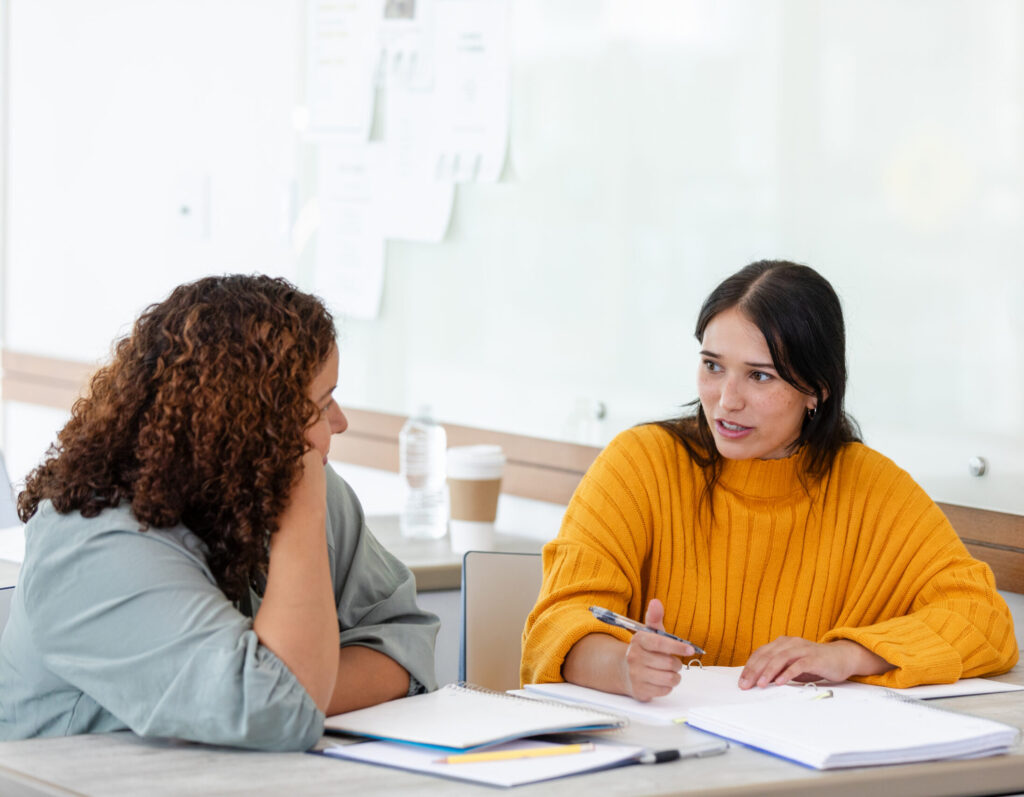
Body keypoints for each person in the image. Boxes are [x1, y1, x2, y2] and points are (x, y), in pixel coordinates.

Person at [521, 260, 1017, 701]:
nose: (725, 400)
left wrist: (848, 654)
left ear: (816, 390)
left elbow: (985, 622)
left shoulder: (872, 488)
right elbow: (556, 624)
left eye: (759, 376)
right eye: (713, 366)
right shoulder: (640, 464)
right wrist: (623, 669)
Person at [0, 275, 439, 750]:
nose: (340, 423)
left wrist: (297, 688)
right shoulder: (91, 544)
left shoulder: (306, 491)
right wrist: (291, 688)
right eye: (321, 402)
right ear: (255, 422)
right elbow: (278, 711)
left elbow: (403, 641)